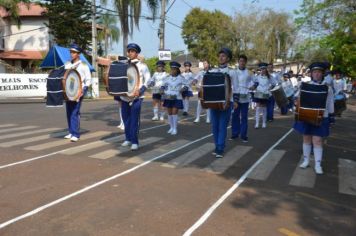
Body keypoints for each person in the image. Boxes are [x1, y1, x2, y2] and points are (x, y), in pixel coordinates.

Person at [294, 62, 334, 174]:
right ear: (311, 73)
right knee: (306, 138)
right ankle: (306, 161)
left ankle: (317, 164)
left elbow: (330, 102)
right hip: (306, 115)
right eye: (315, 72)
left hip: (322, 116)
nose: (317, 74)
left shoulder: (327, 88)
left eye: (319, 72)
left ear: (322, 74)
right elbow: (297, 97)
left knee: (317, 140)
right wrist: (295, 100)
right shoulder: (305, 85)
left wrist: (331, 116)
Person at [120, 43, 151, 150]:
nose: (130, 53)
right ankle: (127, 139)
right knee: (125, 119)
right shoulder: (123, 64)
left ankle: (134, 141)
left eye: (132, 51)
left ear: (137, 53)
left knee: (134, 120)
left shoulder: (143, 66)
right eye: (129, 51)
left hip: (137, 97)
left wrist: (141, 90)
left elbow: (148, 80)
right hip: (124, 97)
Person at [209, 48, 236, 158]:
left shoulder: (233, 72)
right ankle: (217, 146)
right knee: (214, 126)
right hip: (214, 102)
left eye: (224, 56)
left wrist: (235, 101)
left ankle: (220, 147)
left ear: (228, 58)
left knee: (222, 126)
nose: (221, 57)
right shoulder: (212, 71)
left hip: (226, 102)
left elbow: (236, 87)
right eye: (220, 55)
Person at [64, 43, 91, 142]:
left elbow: (88, 80)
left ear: (78, 54)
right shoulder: (67, 64)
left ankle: (76, 133)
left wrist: (82, 91)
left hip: (79, 91)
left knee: (75, 112)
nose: (72, 54)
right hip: (68, 91)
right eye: (71, 52)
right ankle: (71, 132)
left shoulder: (84, 65)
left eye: (74, 52)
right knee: (69, 112)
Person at [161, 61, 189, 135]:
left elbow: (187, 85)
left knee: (174, 113)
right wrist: (162, 90)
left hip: (177, 97)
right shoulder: (167, 77)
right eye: (171, 69)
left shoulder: (181, 78)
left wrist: (182, 89)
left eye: (174, 69)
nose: (172, 70)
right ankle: (171, 127)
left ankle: (175, 128)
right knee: (169, 113)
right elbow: (163, 85)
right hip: (168, 97)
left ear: (177, 70)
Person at [230, 54, 253, 142]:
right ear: (238, 62)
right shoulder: (234, 72)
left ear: (245, 62)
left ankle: (243, 135)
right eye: (240, 61)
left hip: (245, 98)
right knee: (235, 116)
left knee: (244, 117)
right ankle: (235, 134)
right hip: (235, 98)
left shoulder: (249, 72)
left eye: (243, 61)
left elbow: (256, 81)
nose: (242, 63)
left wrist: (254, 86)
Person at [251, 63, 275, 129]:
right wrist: (253, 87)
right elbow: (255, 84)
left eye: (264, 68)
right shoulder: (257, 77)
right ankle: (257, 123)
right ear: (260, 69)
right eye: (261, 69)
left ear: (266, 69)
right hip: (259, 93)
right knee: (258, 108)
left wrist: (270, 88)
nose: (263, 70)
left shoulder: (269, 77)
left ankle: (264, 123)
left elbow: (274, 84)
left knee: (264, 108)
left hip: (266, 94)